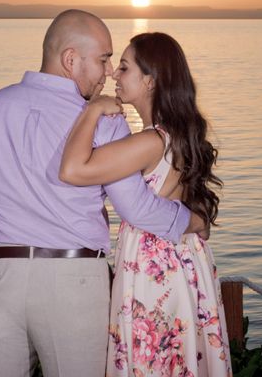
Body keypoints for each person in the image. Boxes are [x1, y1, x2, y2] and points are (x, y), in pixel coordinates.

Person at [0, 10, 207, 377]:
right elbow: (135, 207)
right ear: (71, 59)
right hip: (76, 282)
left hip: (0, 276)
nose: (108, 72)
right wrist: (191, 221)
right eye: (102, 59)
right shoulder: (105, 119)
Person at [60, 32, 232, 376]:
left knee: (154, 362)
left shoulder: (152, 141)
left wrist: (92, 110)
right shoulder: (178, 136)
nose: (113, 75)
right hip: (185, 259)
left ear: (150, 81)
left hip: (156, 268)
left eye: (124, 68)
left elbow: (72, 168)